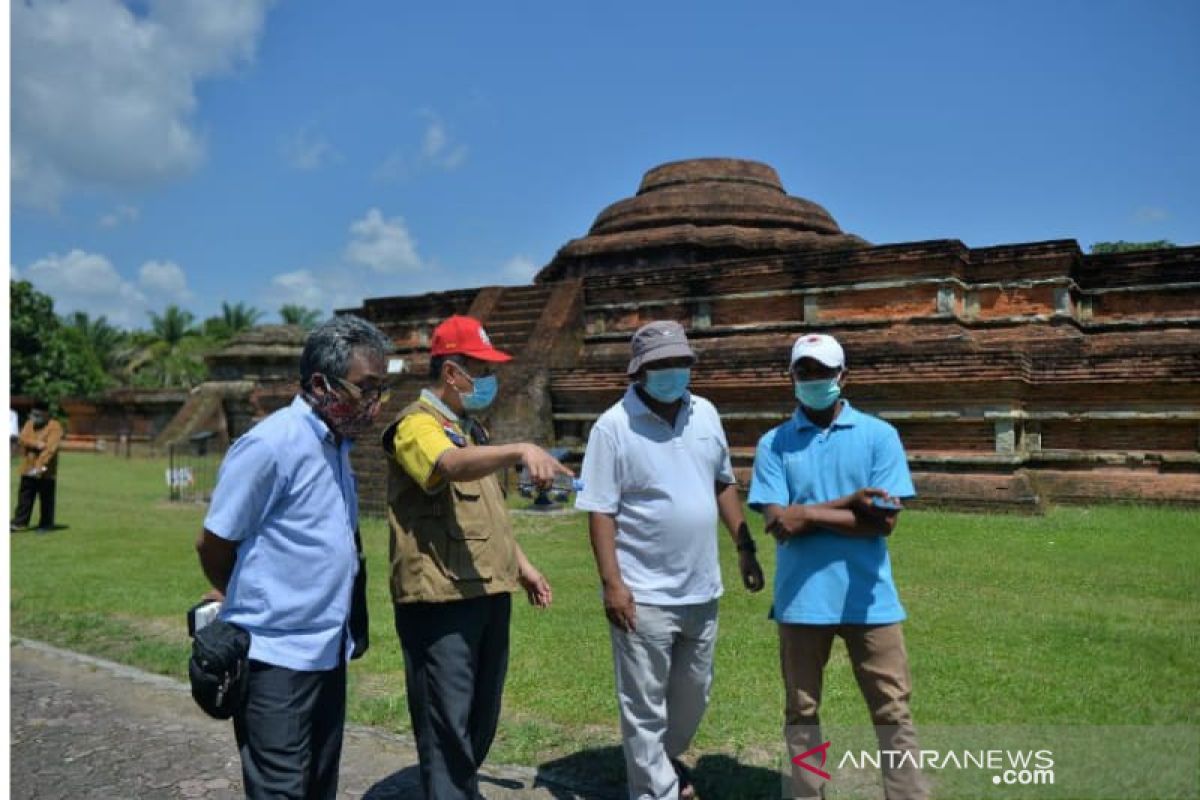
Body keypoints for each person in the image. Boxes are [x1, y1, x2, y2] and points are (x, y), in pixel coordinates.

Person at [195, 314, 392, 800]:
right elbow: (215, 544)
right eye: (366, 388)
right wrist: (245, 597)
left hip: (328, 652)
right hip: (273, 658)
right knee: (281, 790)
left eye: (380, 389)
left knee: (319, 784)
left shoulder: (336, 446)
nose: (375, 403)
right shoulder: (272, 444)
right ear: (322, 384)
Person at [381, 314, 571, 800]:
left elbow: (486, 513)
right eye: (480, 369)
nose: (489, 381)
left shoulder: (473, 432)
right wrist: (521, 449)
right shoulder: (416, 426)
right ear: (451, 373)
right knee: (446, 722)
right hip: (440, 597)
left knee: (479, 714)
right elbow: (447, 466)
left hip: (487, 586)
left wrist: (522, 565)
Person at [576, 320, 765, 800]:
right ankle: (656, 791)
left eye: (680, 363)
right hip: (642, 592)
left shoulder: (705, 413)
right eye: (660, 364)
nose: (672, 372)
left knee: (692, 696)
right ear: (639, 370)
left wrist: (744, 546)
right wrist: (612, 584)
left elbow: (723, 481)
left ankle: (659, 766)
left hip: (701, 585)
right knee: (642, 704)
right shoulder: (613, 427)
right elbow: (600, 511)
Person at [747, 333, 925, 800]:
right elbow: (776, 523)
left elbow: (882, 524)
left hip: (871, 598)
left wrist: (805, 512)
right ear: (791, 377)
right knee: (802, 711)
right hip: (802, 600)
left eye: (823, 371)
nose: (814, 380)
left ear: (843, 377)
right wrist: (848, 504)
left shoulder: (878, 436)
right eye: (804, 371)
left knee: (892, 712)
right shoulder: (775, 444)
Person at [11, 400, 64, 533]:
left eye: (38, 414)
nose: (35, 417)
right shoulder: (30, 424)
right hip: (28, 466)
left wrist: (39, 465)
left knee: (46, 497)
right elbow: (22, 438)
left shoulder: (55, 427)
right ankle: (19, 522)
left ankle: (46, 524)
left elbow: (50, 448)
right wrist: (36, 443)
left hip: (45, 469)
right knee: (25, 496)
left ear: (46, 414)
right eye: (33, 414)